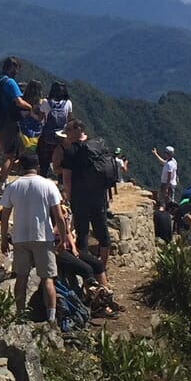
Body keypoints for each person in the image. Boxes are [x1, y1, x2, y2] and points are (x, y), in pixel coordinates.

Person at [0, 149, 70, 321]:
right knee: (47, 279)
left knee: (21, 278)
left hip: (20, 237)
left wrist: (3, 239)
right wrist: (63, 238)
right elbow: (59, 216)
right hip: (43, 236)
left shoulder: (13, 187)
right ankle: (51, 318)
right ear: (37, 166)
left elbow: (4, 216)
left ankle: (20, 315)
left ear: (21, 166)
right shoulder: (48, 185)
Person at [59, 120, 114, 281]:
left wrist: (68, 198)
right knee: (103, 235)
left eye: (68, 129)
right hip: (99, 197)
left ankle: (87, 275)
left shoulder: (71, 151)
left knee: (82, 235)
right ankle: (102, 270)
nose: (66, 133)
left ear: (78, 129)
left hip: (80, 198)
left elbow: (66, 179)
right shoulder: (99, 145)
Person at [0, 57, 32, 195]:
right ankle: (1, 184)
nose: (16, 72)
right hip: (9, 121)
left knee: (8, 150)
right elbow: (19, 102)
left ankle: (5, 180)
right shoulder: (10, 83)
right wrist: (31, 108)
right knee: (9, 154)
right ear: (11, 68)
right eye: (16, 69)